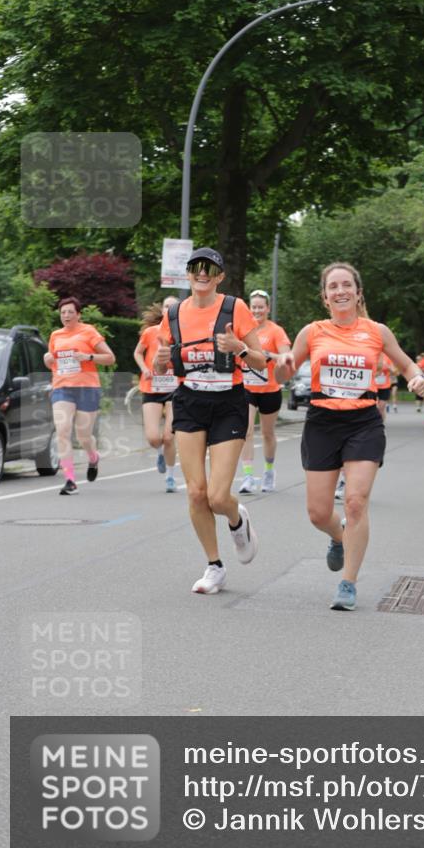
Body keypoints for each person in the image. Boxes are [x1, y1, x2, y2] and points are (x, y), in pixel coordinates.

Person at [275, 262, 424, 612]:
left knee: (356, 502)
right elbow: (283, 371)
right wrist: (283, 362)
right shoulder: (312, 332)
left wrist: (417, 378)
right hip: (322, 423)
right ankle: (337, 536)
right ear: (325, 297)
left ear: (359, 293)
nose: (340, 290)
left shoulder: (377, 331)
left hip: (363, 422)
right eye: (333, 286)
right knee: (318, 513)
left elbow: (407, 365)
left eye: (347, 285)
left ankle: (348, 583)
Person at [153, 247, 267, 595]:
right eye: (195, 268)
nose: (201, 273)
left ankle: (237, 519)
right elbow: (161, 367)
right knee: (197, 493)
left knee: (218, 497)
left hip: (229, 402)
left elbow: (261, 362)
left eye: (209, 269)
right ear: (189, 274)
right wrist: (159, 361)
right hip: (190, 401)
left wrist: (238, 347)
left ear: (219, 276)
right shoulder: (173, 313)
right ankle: (214, 566)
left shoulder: (235, 308)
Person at [44, 297, 116, 495]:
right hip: (62, 387)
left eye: (70, 312)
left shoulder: (88, 332)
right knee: (63, 430)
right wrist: (47, 358)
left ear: (78, 314)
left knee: (83, 435)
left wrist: (88, 357)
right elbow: (51, 361)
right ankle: (70, 480)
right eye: (63, 313)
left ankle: (93, 458)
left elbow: (110, 358)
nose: (66, 316)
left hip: (87, 387)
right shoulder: (55, 335)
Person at [238, 289, 291, 493]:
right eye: (254, 307)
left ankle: (269, 471)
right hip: (247, 388)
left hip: (270, 389)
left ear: (267, 308)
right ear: (249, 309)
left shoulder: (275, 331)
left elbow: (286, 357)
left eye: (261, 307)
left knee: (268, 434)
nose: (257, 310)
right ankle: (248, 477)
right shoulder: (243, 330)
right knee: (247, 431)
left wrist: (267, 354)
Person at [133, 296, 179, 492]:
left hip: (175, 389)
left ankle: (170, 477)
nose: (169, 309)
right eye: (166, 306)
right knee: (153, 437)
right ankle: (160, 452)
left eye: (173, 306)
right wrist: (144, 368)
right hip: (152, 387)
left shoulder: (182, 333)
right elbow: (137, 353)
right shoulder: (151, 332)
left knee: (169, 436)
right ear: (162, 310)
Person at [374, 353, 393, 421]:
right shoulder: (373, 355)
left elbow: (394, 372)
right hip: (374, 386)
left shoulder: (387, 357)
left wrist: (388, 366)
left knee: (381, 408)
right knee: (375, 408)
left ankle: (381, 424)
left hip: (385, 386)